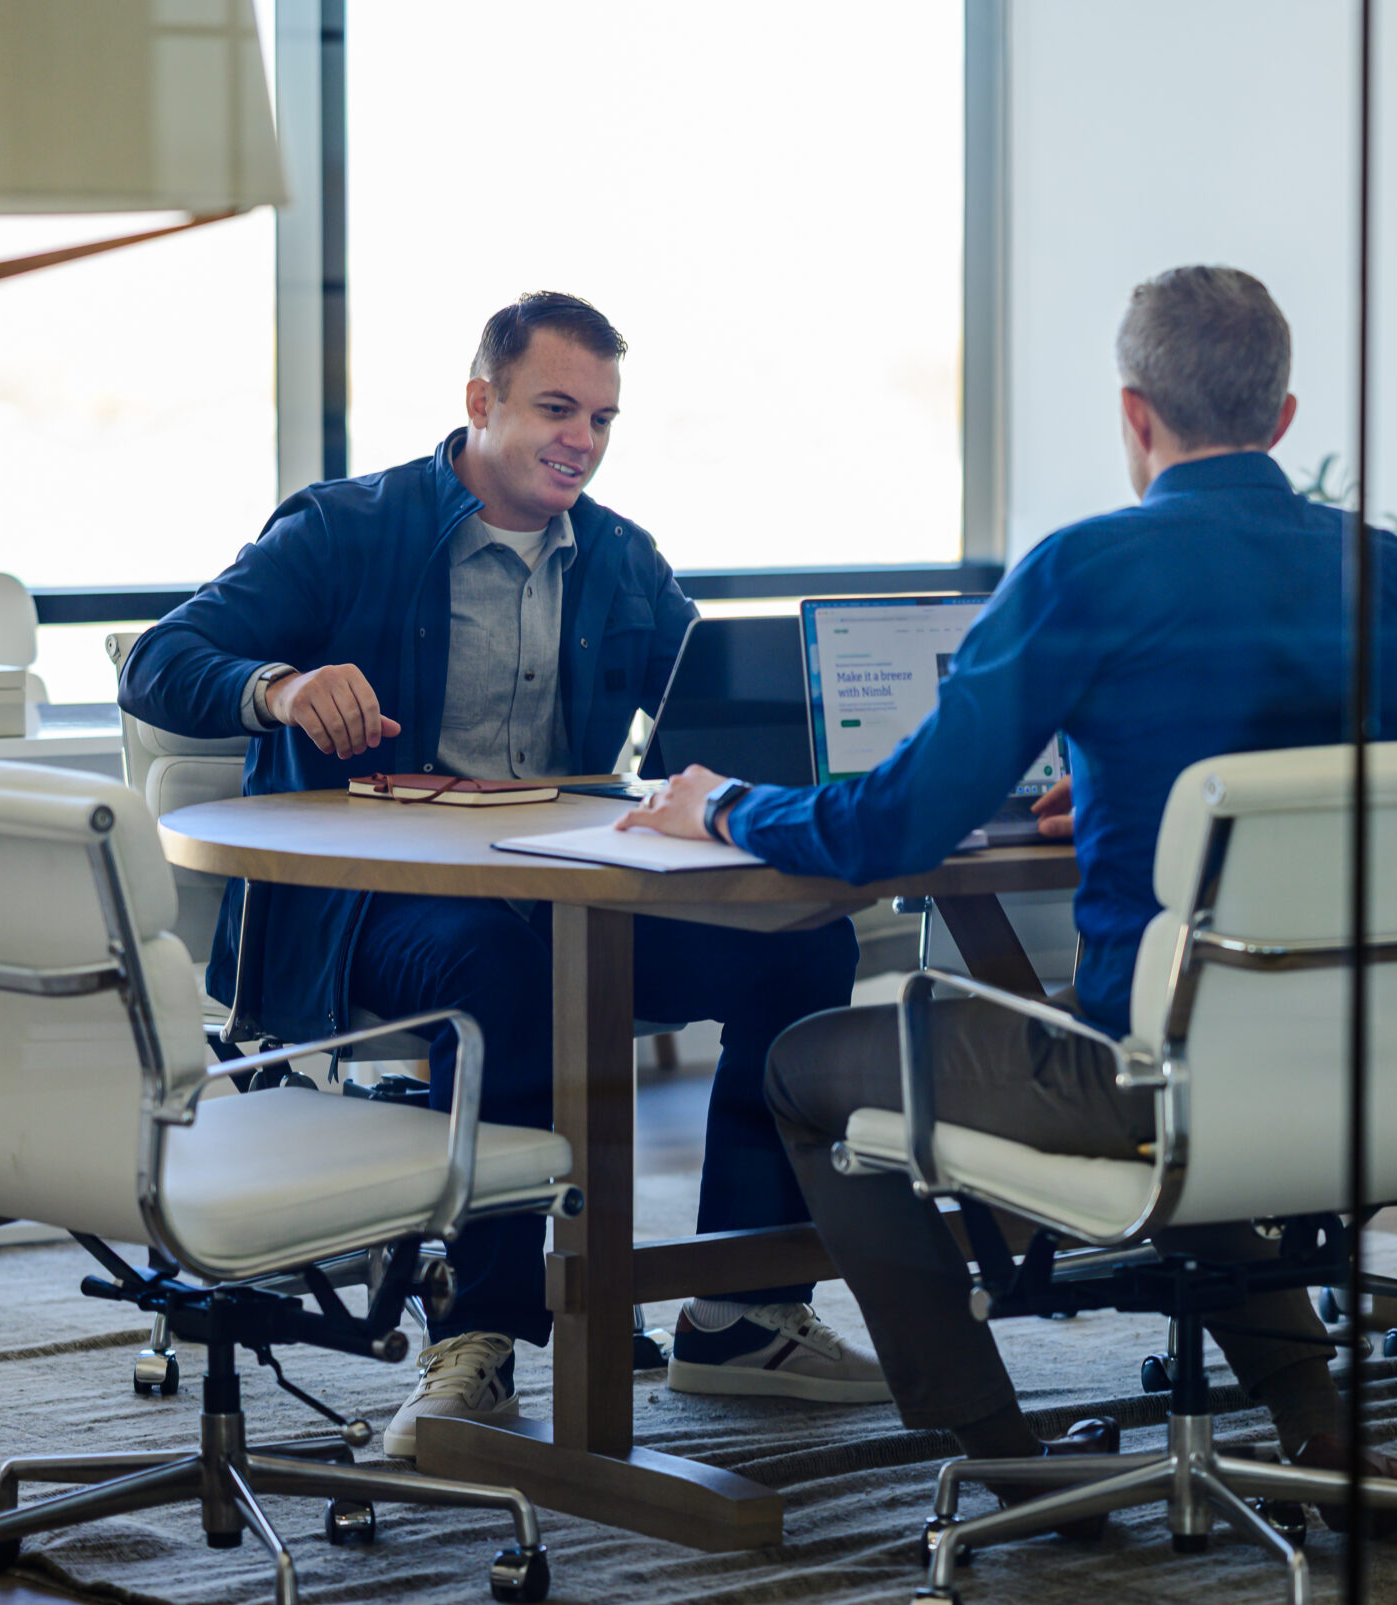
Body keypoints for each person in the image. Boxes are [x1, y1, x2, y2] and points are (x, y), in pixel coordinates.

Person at [618, 265, 1397, 1526]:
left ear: (1134, 416)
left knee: (805, 1064)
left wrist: (723, 805)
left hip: (1143, 1072)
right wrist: (1125, 774)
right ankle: (1317, 1434)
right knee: (1216, 1035)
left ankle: (999, 1442)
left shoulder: (1086, 570)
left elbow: (890, 823)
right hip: (1369, 1057)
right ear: (1284, 417)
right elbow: (1391, 795)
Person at [119, 291, 884, 1457]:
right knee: (501, 970)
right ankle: (477, 1336)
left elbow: (703, 731)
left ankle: (742, 1312)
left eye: (604, 418)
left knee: (805, 946)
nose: (581, 438)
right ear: (482, 402)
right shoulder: (345, 528)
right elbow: (166, 659)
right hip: (365, 909)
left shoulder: (623, 560)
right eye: (556, 408)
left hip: (559, 888)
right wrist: (276, 686)